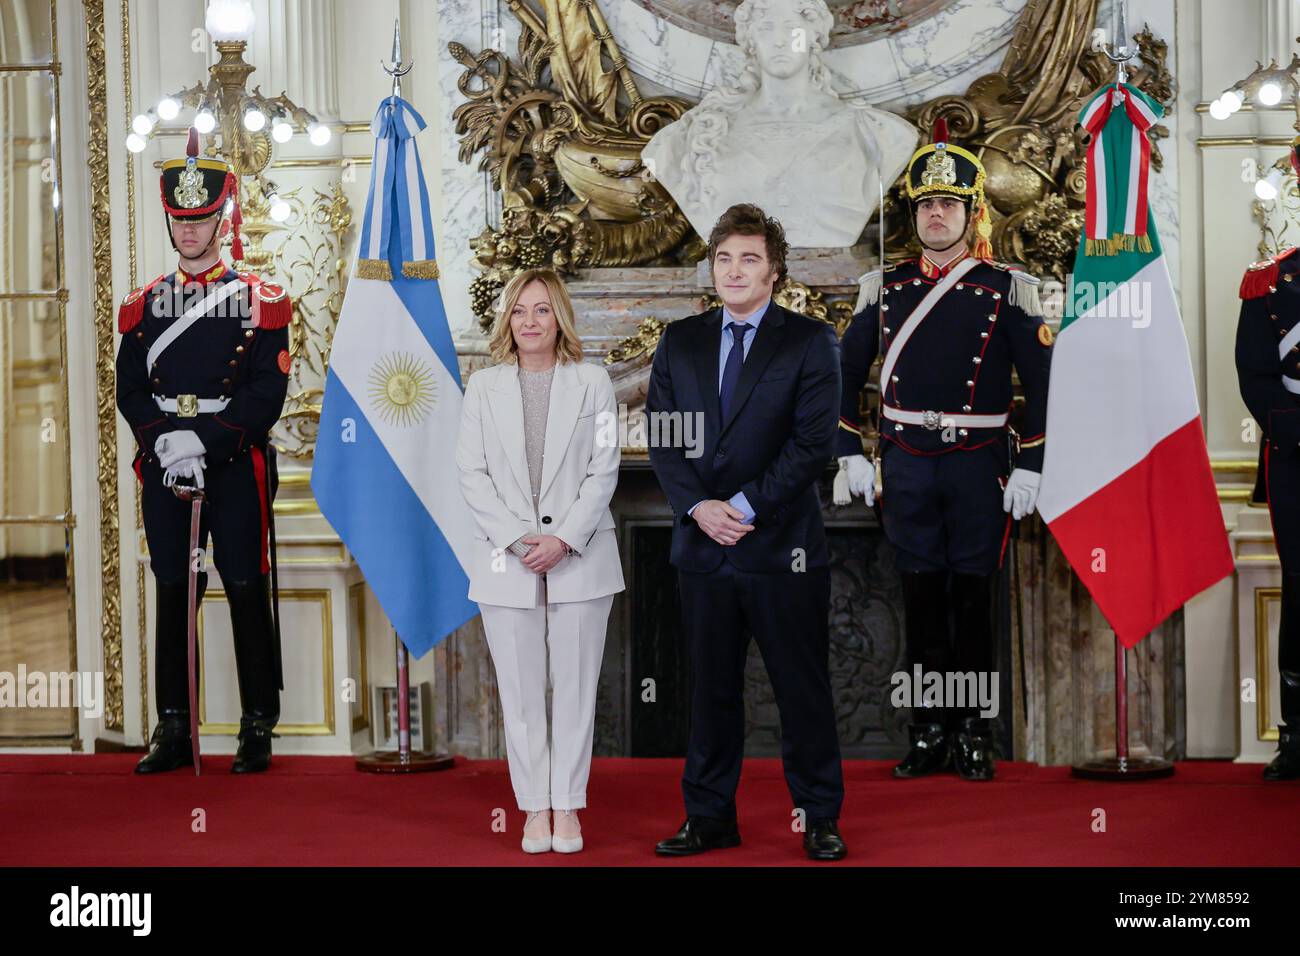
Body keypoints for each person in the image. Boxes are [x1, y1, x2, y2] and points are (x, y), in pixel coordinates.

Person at [836, 119, 1052, 781]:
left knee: (972, 605)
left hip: (977, 468)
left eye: (948, 204)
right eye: (926, 204)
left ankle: (974, 735)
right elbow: (843, 375)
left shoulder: (1005, 288)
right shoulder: (885, 288)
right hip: (905, 464)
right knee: (922, 604)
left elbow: (1044, 383)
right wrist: (849, 451)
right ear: (915, 215)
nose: (936, 214)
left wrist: (1033, 464)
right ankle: (928, 731)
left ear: (969, 212)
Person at [646, 203, 846, 861]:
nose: (735, 270)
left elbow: (812, 445)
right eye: (725, 257)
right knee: (710, 692)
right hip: (704, 546)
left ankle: (819, 817)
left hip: (781, 547)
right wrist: (700, 508)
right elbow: (665, 439)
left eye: (750, 258)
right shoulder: (681, 341)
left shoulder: (811, 341)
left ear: (775, 271)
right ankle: (709, 819)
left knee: (802, 688)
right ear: (713, 267)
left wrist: (741, 504)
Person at [116, 128, 292, 774]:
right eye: (181, 222)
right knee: (174, 587)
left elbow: (265, 391)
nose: (190, 233)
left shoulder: (259, 302)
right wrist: (166, 442)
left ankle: (255, 725)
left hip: (233, 467)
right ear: (170, 220)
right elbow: (129, 389)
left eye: (201, 220)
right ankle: (173, 727)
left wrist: (205, 439)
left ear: (222, 218)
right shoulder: (143, 309)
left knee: (244, 583)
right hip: (167, 469)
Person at [456, 268, 624, 853]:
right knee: (522, 694)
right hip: (508, 561)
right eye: (520, 310)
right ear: (507, 319)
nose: (530, 321)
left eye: (543, 310)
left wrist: (564, 539)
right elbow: (471, 475)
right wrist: (519, 540)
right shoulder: (482, 387)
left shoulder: (594, 382)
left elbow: (605, 469)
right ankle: (533, 809)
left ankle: (569, 808)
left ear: (561, 319)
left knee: (575, 690)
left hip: (581, 556)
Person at [1235, 135, 1300, 779]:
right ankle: (1298, 736)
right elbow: (1253, 375)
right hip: (1296, 457)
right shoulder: (1270, 281)